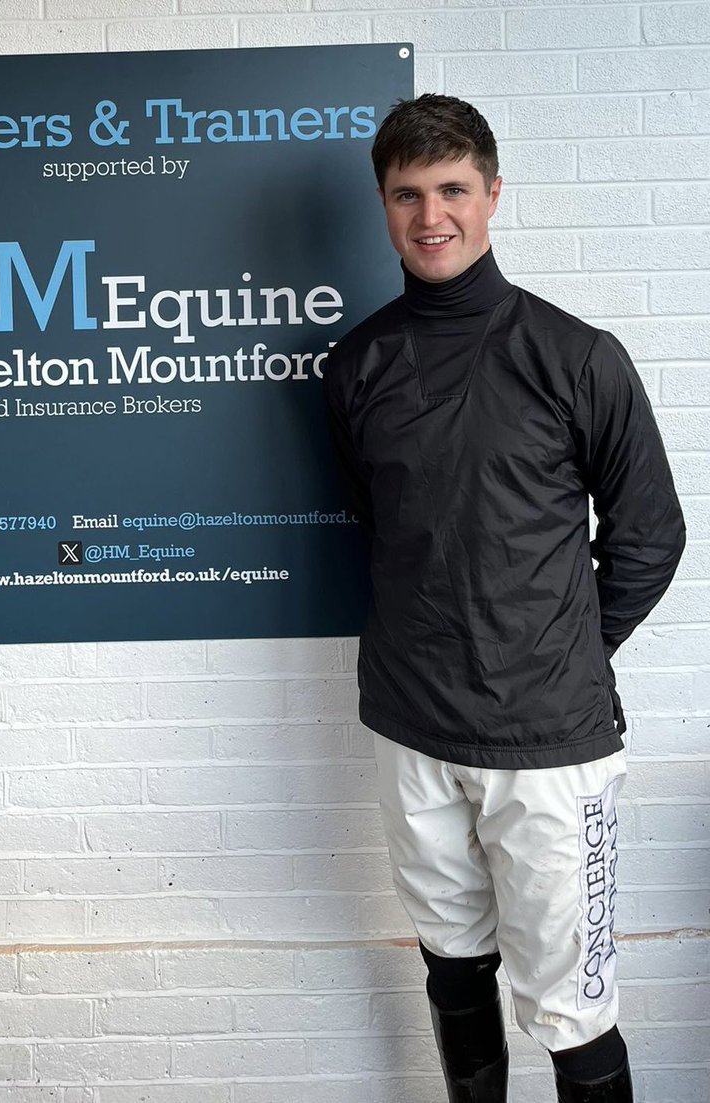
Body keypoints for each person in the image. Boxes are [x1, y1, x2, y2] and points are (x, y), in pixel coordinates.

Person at [323, 94, 685, 1102]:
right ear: (384, 206)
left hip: (551, 744)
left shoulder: (575, 356)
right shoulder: (356, 366)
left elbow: (651, 532)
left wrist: (564, 645)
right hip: (412, 723)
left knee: (573, 1004)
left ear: (491, 195)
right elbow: (385, 524)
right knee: (451, 958)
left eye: (451, 190)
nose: (430, 215)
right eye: (406, 194)